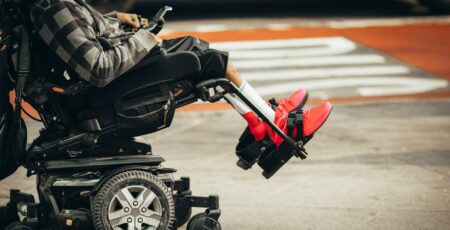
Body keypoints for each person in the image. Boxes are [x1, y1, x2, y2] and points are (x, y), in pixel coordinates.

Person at [29, 0, 331, 143]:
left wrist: (116, 19)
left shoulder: (54, 6)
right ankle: (276, 127)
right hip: (105, 89)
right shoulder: (57, 9)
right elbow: (99, 68)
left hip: (104, 79)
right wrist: (145, 40)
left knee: (195, 45)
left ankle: (262, 118)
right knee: (211, 62)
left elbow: (85, 34)